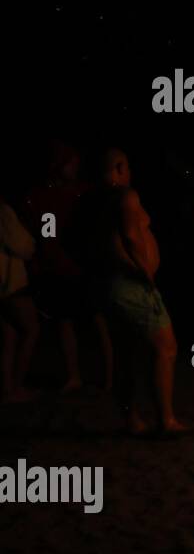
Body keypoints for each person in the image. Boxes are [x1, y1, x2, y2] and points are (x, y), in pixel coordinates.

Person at [96, 149, 186, 433]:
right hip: (131, 284)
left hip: (109, 284)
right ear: (120, 167)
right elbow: (131, 236)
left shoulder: (93, 199)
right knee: (165, 347)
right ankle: (166, 420)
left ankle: (132, 420)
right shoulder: (126, 196)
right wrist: (145, 272)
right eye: (128, 167)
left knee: (125, 353)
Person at [24, 142, 114, 392]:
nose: (75, 167)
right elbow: (45, 235)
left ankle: (110, 378)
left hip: (86, 265)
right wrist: (45, 261)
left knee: (99, 320)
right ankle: (73, 376)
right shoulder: (44, 196)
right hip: (61, 267)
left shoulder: (84, 193)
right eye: (70, 163)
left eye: (76, 162)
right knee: (65, 320)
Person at [0, 194, 39, 404]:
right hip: (9, 282)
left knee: (9, 336)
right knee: (31, 329)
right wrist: (33, 244)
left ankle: (8, 388)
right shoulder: (3, 212)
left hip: (3, 284)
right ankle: (16, 385)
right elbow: (21, 245)